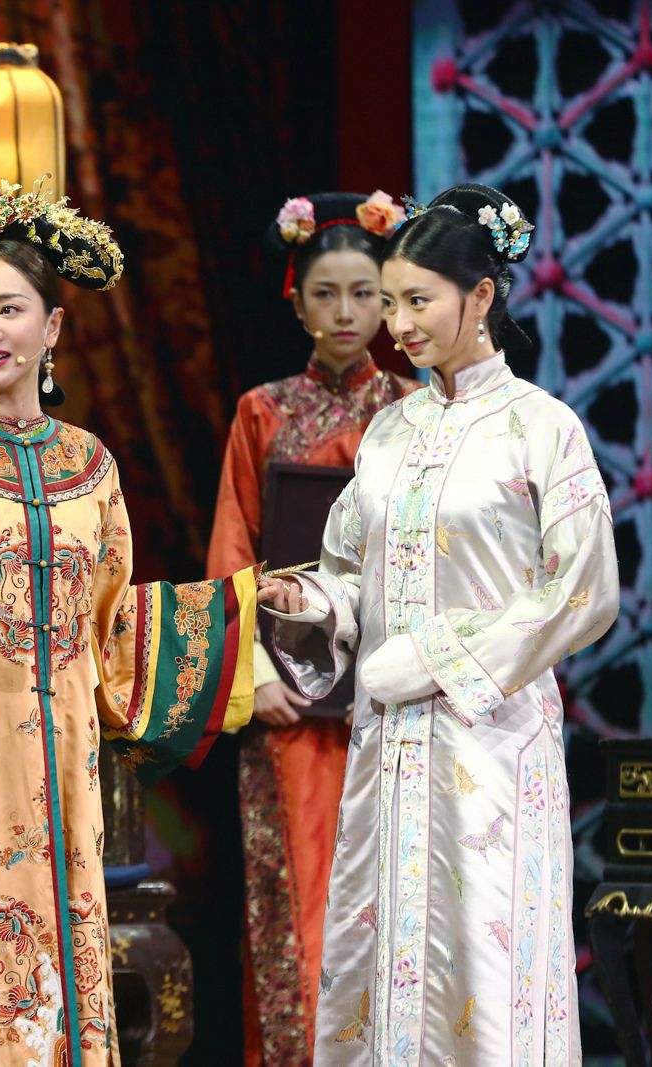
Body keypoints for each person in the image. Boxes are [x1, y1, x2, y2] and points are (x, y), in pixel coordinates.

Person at [0, 177, 258, 1066]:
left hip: (65, 770)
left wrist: (242, 611)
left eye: (9, 309)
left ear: (53, 326)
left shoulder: (90, 465)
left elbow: (112, 628)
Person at [256, 183, 619, 1066]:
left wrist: (436, 658)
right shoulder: (390, 432)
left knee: (486, 965)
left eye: (418, 301)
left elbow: (585, 589)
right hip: (387, 746)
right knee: (383, 953)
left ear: (481, 295)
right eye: (392, 303)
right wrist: (317, 604)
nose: (398, 325)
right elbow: (349, 569)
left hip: (489, 744)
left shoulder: (541, 428)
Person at [207, 190, 417, 1064]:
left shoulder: (414, 410)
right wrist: (252, 674)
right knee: (297, 900)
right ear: (295, 300)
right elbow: (233, 549)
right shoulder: (262, 410)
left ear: (390, 301)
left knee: (392, 897)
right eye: (326, 294)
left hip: (391, 699)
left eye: (364, 294)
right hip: (290, 706)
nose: (345, 313)